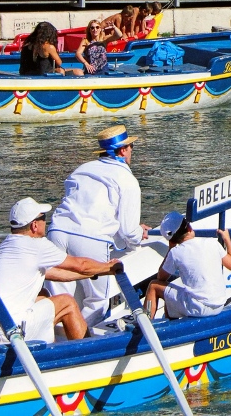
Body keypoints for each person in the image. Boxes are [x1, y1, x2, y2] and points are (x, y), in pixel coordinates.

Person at [0, 198, 120, 351]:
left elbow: (56, 273)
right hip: (2, 332)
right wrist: (109, 267)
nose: (46, 222)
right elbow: (81, 265)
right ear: (34, 225)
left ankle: (49, 349)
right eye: (44, 218)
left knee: (42, 295)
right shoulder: (37, 245)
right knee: (67, 302)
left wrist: (93, 273)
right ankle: (88, 357)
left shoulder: (3, 248)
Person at [46, 126, 146, 326]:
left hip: (57, 232)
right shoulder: (127, 179)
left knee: (58, 297)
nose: (132, 150)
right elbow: (128, 230)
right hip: (91, 237)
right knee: (98, 300)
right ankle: (80, 341)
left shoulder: (82, 169)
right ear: (123, 150)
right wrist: (138, 235)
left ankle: (53, 338)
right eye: (130, 146)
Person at [145, 212, 231, 319]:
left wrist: (171, 248)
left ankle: (146, 324)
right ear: (189, 227)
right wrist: (227, 239)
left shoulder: (175, 252)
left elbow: (160, 278)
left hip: (198, 308)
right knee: (171, 297)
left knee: (154, 286)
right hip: (219, 305)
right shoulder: (212, 243)